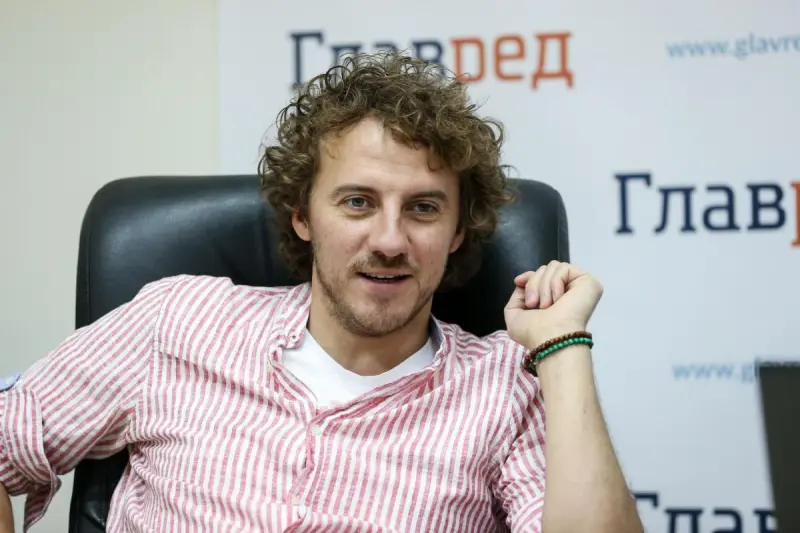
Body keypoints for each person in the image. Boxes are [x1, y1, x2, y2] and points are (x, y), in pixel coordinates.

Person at [0, 52, 643, 533]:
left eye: (423, 208)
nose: (389, 240)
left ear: (457, 231)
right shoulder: (177, 321)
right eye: (357, 202)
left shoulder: (504, 386)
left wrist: (563, 347)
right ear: (302, 215)